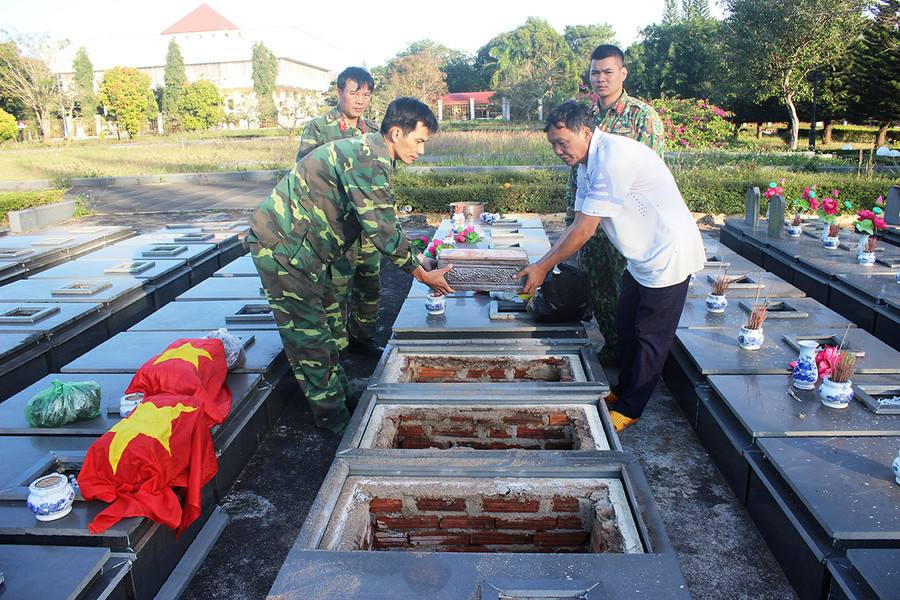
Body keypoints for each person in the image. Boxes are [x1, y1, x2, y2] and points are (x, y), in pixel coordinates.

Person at [248, 98, 454, 435]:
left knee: (328, 326)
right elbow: (382, 230)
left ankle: (343, 400)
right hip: (284, 248)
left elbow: (386, 218)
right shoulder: (367, 158)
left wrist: (419, 258)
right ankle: (335, 421)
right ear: (396, 132)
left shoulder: (375, 153)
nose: (421, 150)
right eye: (419, 141)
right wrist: (422, 274)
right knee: (309, 337)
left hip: (308, 250)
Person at [517, 102, 705, 432]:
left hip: (668, 254)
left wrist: (544, 268)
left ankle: (633, 407)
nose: (559, 150)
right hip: (641, 258)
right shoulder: (587, 164)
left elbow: (588, 229)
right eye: (553, 144)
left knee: (650, 336)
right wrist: (541, 264)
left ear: (586, 132)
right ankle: (622, 389)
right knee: (626, 321)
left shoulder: (612, 158)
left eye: (564, 142)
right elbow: (576, 223)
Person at [566, 44, 666, 367]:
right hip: (591, 223)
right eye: (595, 72)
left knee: (630, 293)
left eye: (608, 72)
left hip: (627, 225)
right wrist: (573, 218)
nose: (601, 78)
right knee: (600, 289)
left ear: (622, 73)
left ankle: (636, 359)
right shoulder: (585, 118)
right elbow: (576, 170)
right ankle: (612, 349)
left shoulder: (641, 117)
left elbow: (651, 173)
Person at [296, 67, 384, 355]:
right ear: (339, 92)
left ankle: (363, 338)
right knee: (337, 289)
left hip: (367, 226)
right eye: (354, 93)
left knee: (370, 285)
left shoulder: (373, 132)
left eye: (366, 95)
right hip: (335, 226)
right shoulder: (319, 128)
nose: (360, 100)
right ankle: (339, 349)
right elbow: (306, 175)